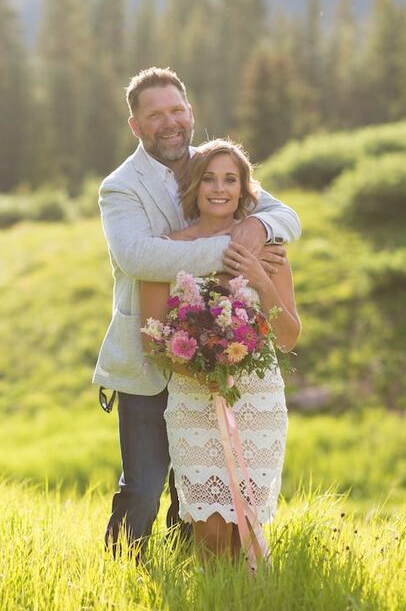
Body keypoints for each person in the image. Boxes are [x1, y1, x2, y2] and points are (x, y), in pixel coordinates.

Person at [94, 67, 301, 556]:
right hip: (148, 358)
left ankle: (190, 576)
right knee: (143, 488)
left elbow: (285, 217)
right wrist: (232, 249)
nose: (169, 122)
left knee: (199, 492)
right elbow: (138, 257)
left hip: (219, 364)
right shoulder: (120, 187)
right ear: (136, 125)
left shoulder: (212, 165)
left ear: (190, 113)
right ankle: (121, 572)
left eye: (177, 111)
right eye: (155, 114)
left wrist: (260, 230)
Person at [139, 139, 301, 561]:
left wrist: (259, 279)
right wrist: (206, 371)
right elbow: (150, 339)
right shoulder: (165, 250)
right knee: (209, 529)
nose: (219, 188)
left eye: (231, 179)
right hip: (195, 399)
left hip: (257, 401)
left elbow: (288, 336)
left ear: (245, 189)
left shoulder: (268, 251)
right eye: (209, 178)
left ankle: (246, 598)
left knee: (244, 526)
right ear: (194, 186)